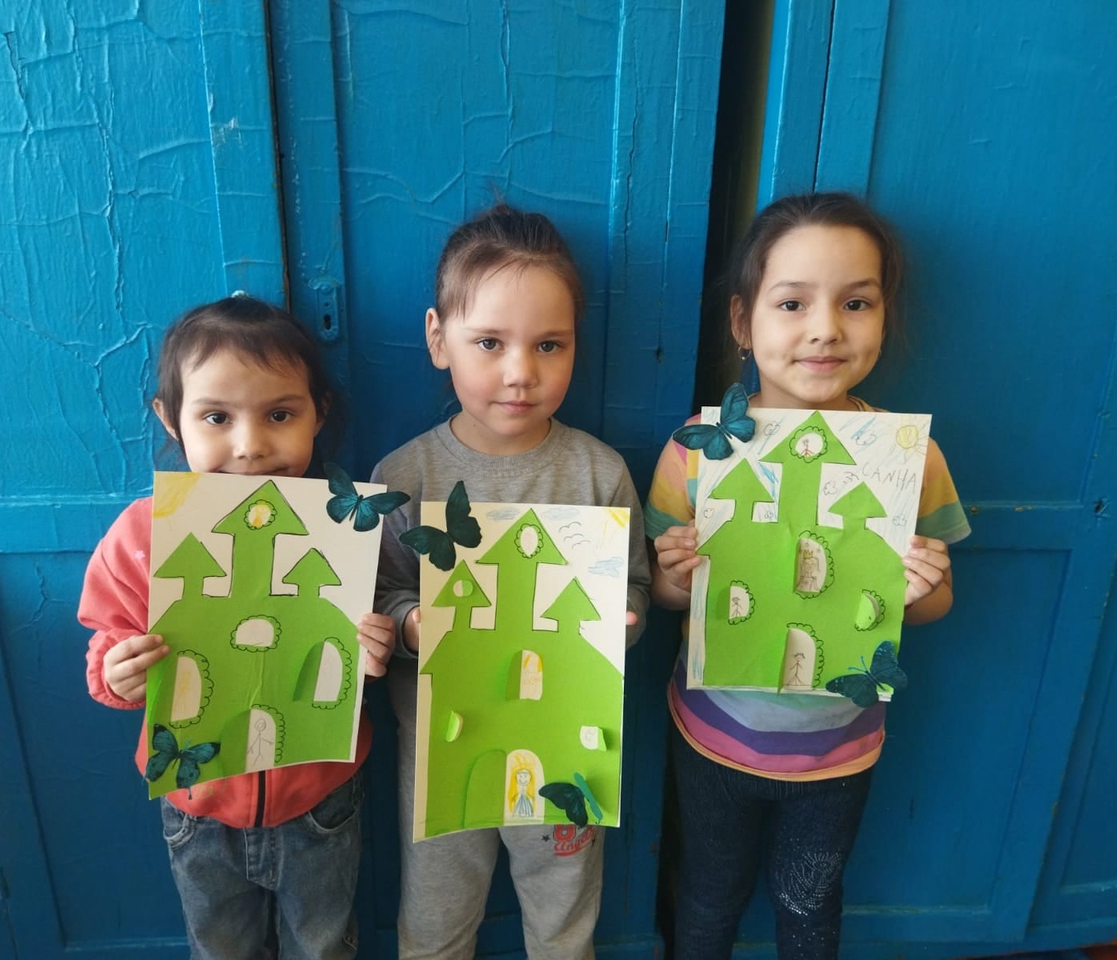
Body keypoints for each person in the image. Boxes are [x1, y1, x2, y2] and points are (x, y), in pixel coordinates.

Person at [646, 193, 970, 959]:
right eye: (792, 303)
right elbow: (664, 597)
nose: (826, 328)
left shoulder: (909, 459)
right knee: (706, 899)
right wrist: (677, 576)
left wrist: (922, 587)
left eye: (856, 302)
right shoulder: (697, 451)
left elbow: (937, 605)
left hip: (839, 750)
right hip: (712, 740)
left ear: (884, 317)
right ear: (742, 321)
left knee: (812, 905)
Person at [373, 204, 652, 960]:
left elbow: (634, 584)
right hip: (442, 750)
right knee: (435, 922)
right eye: (490, 343)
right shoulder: (405, 476)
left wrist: (621, 616)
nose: (521, 371)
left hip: (562, 744)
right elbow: (381, 593)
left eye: (549, 345)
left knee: (563, 921)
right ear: (439, 339)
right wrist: (411, 624)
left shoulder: (598, 474)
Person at [79, 294, 395, 959]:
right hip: (198, 800)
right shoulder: (143, 534)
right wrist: (116, 671)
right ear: (170, 419)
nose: (249, 447)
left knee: (323, 945)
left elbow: (360, 644)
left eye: (280, 414)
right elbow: (109, 636)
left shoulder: (344, 529)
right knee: (220, 947)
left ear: (318, 414)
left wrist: (374, 649)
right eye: (216, 417)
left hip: (320, 797)